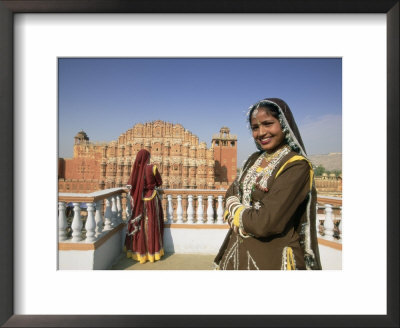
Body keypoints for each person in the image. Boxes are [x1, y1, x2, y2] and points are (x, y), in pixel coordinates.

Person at [214, 98, 322, 270]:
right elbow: (231, 192)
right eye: (255, 127)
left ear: (284, 125)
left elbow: (265, 223)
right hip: (236, 251)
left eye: (268, 124)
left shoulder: (296, 166)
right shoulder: (254, 159)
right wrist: (243, 215)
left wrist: (235, 213)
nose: (261, 132)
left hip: (273, 258)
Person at [124, 149, 164, 264]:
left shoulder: (136, 171)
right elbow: (159, 182)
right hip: (151, 199)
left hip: (139, 201)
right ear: (148, 157)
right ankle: (152, 254)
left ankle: (138, 253)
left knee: (140, 225)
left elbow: (131, 186)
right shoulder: (152, 168)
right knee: (151, 225)